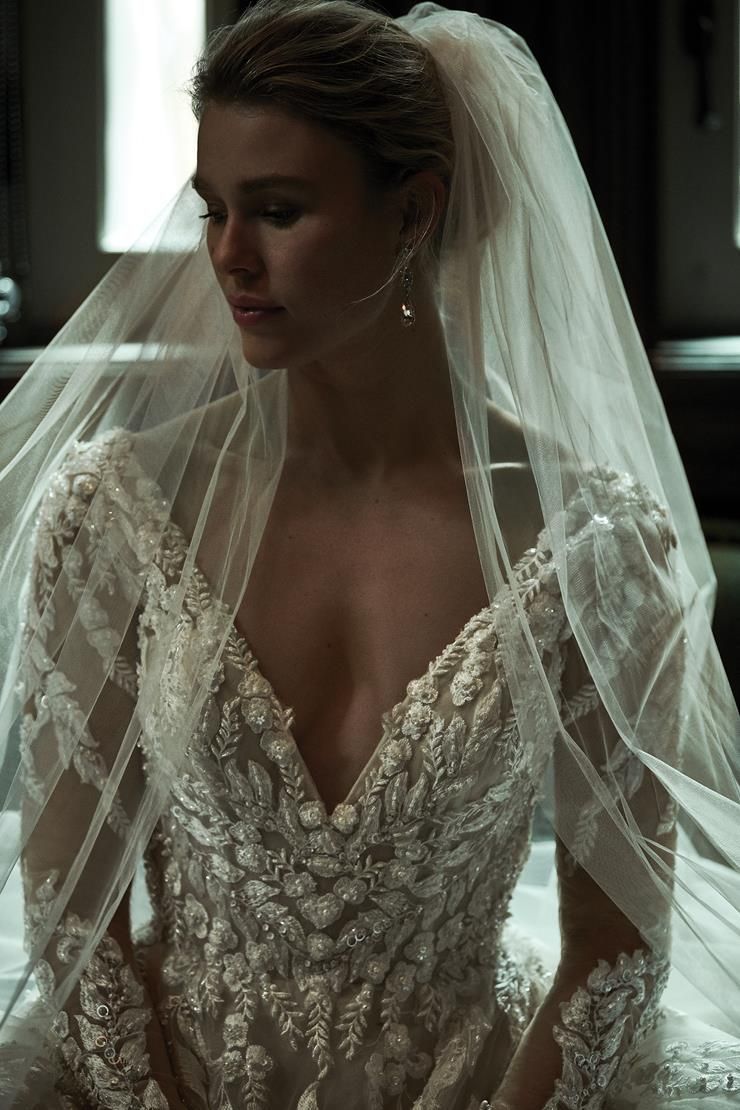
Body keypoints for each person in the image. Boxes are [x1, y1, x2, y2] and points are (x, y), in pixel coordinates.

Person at [0, 1, 738, 1106]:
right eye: (213, 210)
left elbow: (616, 939)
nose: (228, 258)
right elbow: (73, 905)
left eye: (280, 211)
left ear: (413, 214)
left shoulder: (589, 542)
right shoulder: (116, 511)